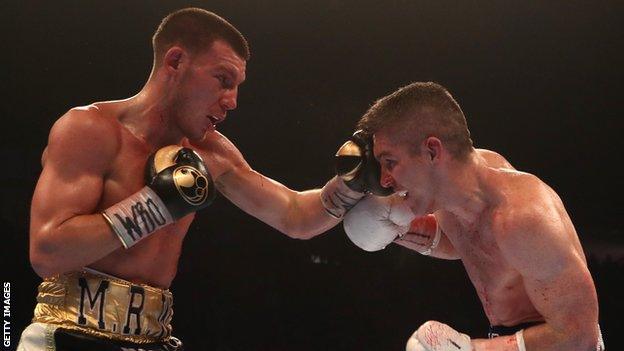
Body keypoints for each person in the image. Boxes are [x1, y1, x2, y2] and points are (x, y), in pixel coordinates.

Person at [19, 7, 382, 351]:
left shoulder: (214, 153)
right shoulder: (90, 130)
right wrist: (156, 205)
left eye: (238, 85)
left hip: (151, 339)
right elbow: (48, 252)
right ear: (176, 61)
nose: (233, 101)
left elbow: (294, 215)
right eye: (223, 80)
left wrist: (352, 182)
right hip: (66, 335)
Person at [343, 82, 604, 350]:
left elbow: (579, 336)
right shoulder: (455, 193)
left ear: (432, 151)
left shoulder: (525, 217)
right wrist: (397, 230)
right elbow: (470, 244)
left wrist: (469, 349)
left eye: (390, 163)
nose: (385, 181)